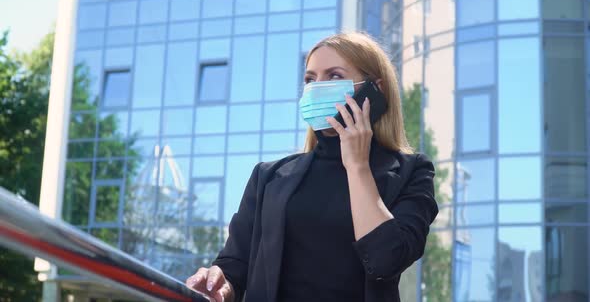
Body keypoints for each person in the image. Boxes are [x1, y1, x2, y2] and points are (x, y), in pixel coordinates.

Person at [185, 32, 438, 302]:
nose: (317, 87)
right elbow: (235, 264)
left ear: (374, 90)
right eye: (310, 79)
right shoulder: (268, 177)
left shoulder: (413, 172)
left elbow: (385, 258)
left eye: (334, 76)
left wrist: (356, 166)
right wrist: (221, 283)